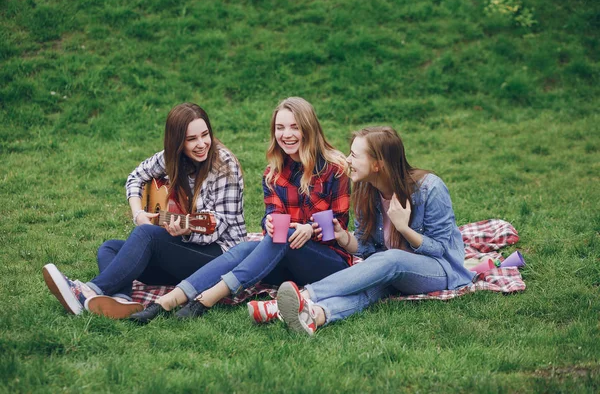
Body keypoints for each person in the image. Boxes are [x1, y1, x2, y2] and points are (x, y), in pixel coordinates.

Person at [129, 97, 352, 323]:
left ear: (309, 128)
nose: (287, 134)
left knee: (287, 236)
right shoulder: (273, 173)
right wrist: (269, 223)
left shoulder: (335, 168)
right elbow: (273, 222)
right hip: (285, 262)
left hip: (328, 262)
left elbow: (338, 225)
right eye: (280, 128)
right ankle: (168, 300)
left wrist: (309, 230)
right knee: (248, 248)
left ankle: (206, 299)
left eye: (295, 127)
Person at [42, 103, 246, 318]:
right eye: (191, 139)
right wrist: (139, 214)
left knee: (147, 235)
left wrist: (186, 230)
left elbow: (220, 222)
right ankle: (121, 299)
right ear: (177, 142)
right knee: (110, 248)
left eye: (205, 135)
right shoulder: (172, 159)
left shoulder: (224, 164)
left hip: (222, 256)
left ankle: (87, 291)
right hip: (185, 256)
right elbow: (135, 177)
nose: (201, 143)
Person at [275, 126, 476, 335]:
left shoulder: (430, 189)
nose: (348, 160)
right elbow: (365, 247)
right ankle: (314, 315)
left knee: (391, 259)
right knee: (368, 286)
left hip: (440, 270)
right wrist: (343, 237)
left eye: (354, 155)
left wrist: (403, 228)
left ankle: (307, 295)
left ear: (378, 164)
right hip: (393, 270)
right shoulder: (366, 189)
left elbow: (441, 250)